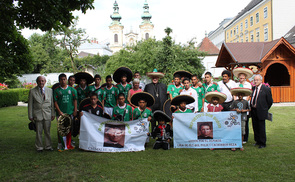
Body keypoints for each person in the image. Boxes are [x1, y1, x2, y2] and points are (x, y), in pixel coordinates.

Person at [28, 76, 55, 152]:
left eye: (42, 81)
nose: (41, 82)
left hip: (47, 114)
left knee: (47, 131)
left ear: (45, 81)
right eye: (39, 81)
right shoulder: (32, 91)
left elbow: (52, 103)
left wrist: (53, 113)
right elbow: (30, 104)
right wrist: (30, 115)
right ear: (37, 82)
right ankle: (39, 147)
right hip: (37, 114)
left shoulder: (50, 91)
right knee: (38, 132)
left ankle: (48, 146)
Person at [53, 73, 77, 151]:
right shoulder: (57, 90)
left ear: (66, 80)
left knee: (69, 128)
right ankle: (61, 144)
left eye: (64, 79)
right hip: (61, 113)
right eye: (61, 80)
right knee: (60, 129)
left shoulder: (72, 89)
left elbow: (75, 100)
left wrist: (75, 110)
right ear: (59, 80)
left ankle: (68, 144)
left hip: (69, 112)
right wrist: (59, 111)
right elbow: (55, 102)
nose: (63, 81)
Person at [251, 74, 273, 149]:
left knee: (261, 127)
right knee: (255, 126)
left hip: (261, 111)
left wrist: (265, 108)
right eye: (254, 80)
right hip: (253, 110)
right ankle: (257, 141)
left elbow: (270, 101)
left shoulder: (266, 89)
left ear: (261, 80)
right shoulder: (253, 88)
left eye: (257, 80)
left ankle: (262, 143)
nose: (255, 81)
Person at [233, 67, 253, 144]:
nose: (241, 79)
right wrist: (236, 103)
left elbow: (249, 95)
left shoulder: (248, 85)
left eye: (243, 77)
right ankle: (237, 137)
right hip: (237, 106)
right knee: (237, 122)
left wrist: (245, 103)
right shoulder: (236, 84)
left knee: (245, 123)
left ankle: (245, 138)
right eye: (240, 77)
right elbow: (234, 94)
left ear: (245, 77)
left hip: (245, 106)